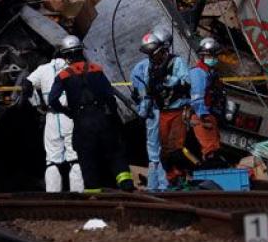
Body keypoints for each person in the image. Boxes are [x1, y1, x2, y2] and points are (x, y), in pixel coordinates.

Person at [49, 36, 134, 193]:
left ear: (66, 55)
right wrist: (112, 116)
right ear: (81, 51)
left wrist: (67, 112)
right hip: (103, 118)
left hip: (82, 122)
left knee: (87, 157)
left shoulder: (63, 76)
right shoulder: (96, 69)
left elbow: (52, 100)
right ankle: (126, 184)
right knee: (115, 152)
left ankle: (94, 194)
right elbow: (110, 96)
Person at [130, 27, 189, 191]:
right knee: (159, 151)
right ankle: (160, 185)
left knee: (160, 151)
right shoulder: (145, 68)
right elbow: (142, 92)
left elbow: (140, 93)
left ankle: (160, 185)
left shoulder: (170, 64)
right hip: (157, 111)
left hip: (161, 111)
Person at [23, 48, 84, 193]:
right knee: (74, 157)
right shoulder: (72, 68)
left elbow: (26, 85)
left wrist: (36, 104)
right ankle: (78, 193)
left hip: (51, 117)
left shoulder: (43, 69)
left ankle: (53, 194)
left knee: (52, 160)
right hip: (70, 116)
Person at [189, 37, 227, 167]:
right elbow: (197, 97)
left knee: (215, 147)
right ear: (204, 55)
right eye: (213, 55)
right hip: (201, 115)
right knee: (210, 150)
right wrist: (204, 116)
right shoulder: (198, 73)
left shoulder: (209, 72)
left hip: (207, 114)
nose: (215, 58)